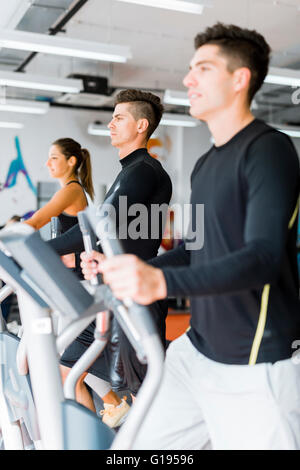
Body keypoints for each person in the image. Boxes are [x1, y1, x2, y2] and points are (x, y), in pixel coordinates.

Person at [84, 23, 300, 449]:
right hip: (195, 351)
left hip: (253, 365)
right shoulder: (204, 165)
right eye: (189, 69)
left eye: (203, 68)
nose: (188, 79)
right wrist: (131, 270)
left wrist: (160, 282)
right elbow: (192, 249)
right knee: (132, 449)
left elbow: (263, 256)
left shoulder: (270, 150)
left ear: (239, 79)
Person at [48, 89, 172, 427]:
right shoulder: (128, 171)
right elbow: (101, 229)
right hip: (111, 292)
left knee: (142, 391)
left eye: (119, 118)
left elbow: (100, 227)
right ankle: (100, 437)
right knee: (68, 368)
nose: (111, 124)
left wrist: (41, 248)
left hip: (133, 295)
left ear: (141, 125)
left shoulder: (144, 171)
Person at [25, 138, 94, 275]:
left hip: (76, 268)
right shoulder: (71, 189)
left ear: (71, 161)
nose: (48, 163)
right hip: (71, 265)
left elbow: (36, 222)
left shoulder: (71, 191)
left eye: (54, 158)